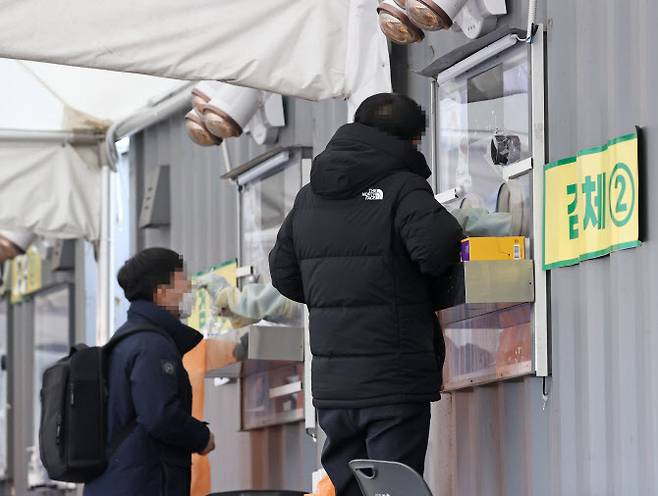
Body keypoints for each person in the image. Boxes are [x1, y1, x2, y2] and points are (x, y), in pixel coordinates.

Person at [269, 93, 464, 496]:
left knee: (349, 488)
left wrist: (335, 292)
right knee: (394, 487)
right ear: (411, 140)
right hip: (392, 379)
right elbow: (435, 248)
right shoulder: (402, 187)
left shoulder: (309, 198)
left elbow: (283, 273)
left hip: (334, 387)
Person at [84, 248, 215, 496]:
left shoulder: (128, 339)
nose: (188, 289)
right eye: (182, 280)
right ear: (161, 292)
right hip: (143, 483)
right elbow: (160, 415)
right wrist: (202, 437)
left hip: (121, 480)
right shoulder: (151, 346)